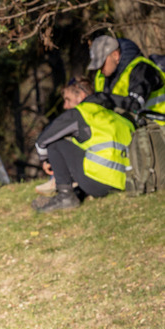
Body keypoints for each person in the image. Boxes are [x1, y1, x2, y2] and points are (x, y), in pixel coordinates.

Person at [32, 77, 135, 212]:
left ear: (80, 96)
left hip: (99, 183)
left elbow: (42, 142)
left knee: (55, 144)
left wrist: (46, 160)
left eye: (67, 100)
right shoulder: (117, 116)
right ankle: (76, 190)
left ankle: (65, 196)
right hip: (124, 182)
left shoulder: (81, 113)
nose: (65, 106)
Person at [88, 34, 165, 123]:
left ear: (115, 55)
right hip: (132, 128)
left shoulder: (142, 69)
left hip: (159, 126)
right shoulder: (102, 77)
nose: (99, 69)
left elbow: (135, 105)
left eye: (102, 63)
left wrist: (103, 98)